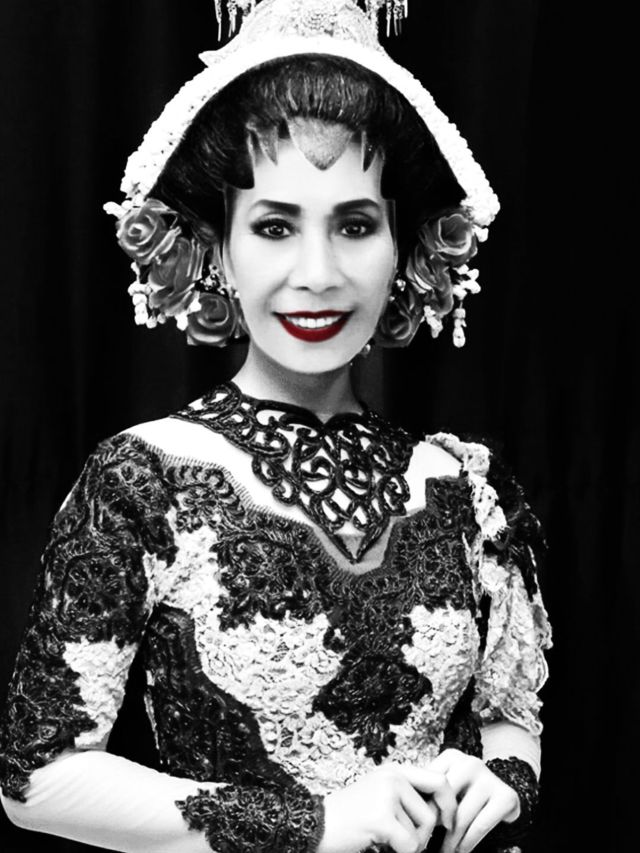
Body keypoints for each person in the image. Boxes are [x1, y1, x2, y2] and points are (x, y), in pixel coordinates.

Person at [0, 2, 551, 852]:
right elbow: (37, 777)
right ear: (219, 248)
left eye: (356, 225)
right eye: (274, 226)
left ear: (402, 248)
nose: (318, 273)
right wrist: (317, 823)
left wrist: (504, 778)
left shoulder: (462, 486)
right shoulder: (144, 478)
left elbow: (510, 714)